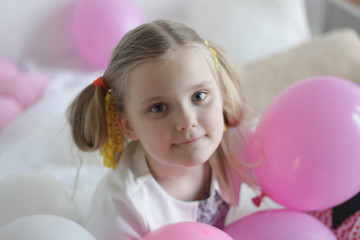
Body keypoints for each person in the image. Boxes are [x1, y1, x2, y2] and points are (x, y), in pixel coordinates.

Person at [67, 19, 255, 240]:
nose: (187, 121)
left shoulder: (241, 146)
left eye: (199, 96)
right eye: (158, 108)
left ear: (221, 93)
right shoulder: (122, 206)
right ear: (128, 125)